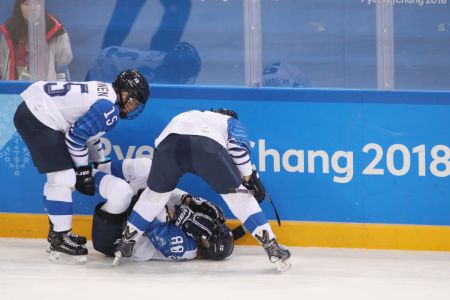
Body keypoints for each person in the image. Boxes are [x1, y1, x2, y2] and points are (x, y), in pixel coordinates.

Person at [113, 109, 292, 272]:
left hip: (168, 146)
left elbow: (159, 146)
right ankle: (271, 246)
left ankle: (127, 242)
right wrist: (249, 177)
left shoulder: (190, 114)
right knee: (239, 199)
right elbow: (238, 150)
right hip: (208, 148)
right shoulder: (231, 122)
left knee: (154, 196)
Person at [13, 69, 150, 264]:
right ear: (123, 90)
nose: (133, 105)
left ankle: (57, 232)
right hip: (40, 114)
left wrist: (100, 162)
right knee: (63, 178)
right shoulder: (108, 107)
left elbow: (89, 135)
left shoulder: (106, 96)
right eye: (133, 99)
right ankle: (60, 237)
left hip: (39, 110)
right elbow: (75, 138)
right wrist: (84, 170)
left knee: (59, 178)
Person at [91, 157, 234, 262]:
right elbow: (161, 193)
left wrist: (180, 216)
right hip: (129, 218)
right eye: (215, 225)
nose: (209, 224)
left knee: (121, 192)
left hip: (114, 240)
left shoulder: (187, 249)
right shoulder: (195, 233)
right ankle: (94, 168)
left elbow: (148, 213)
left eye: (212, 229)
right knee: (148, 167)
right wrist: (185, 198)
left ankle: (83, 176)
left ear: (206, 243)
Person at [0, 0, 73, 81]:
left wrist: (60, 91)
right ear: (19, 7)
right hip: (14, 90)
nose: (32, 9)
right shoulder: (9, 31)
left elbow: (62, 69)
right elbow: (2, 66)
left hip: (45, 89)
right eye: (27, 4)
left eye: (36, 4)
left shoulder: (56, 31)